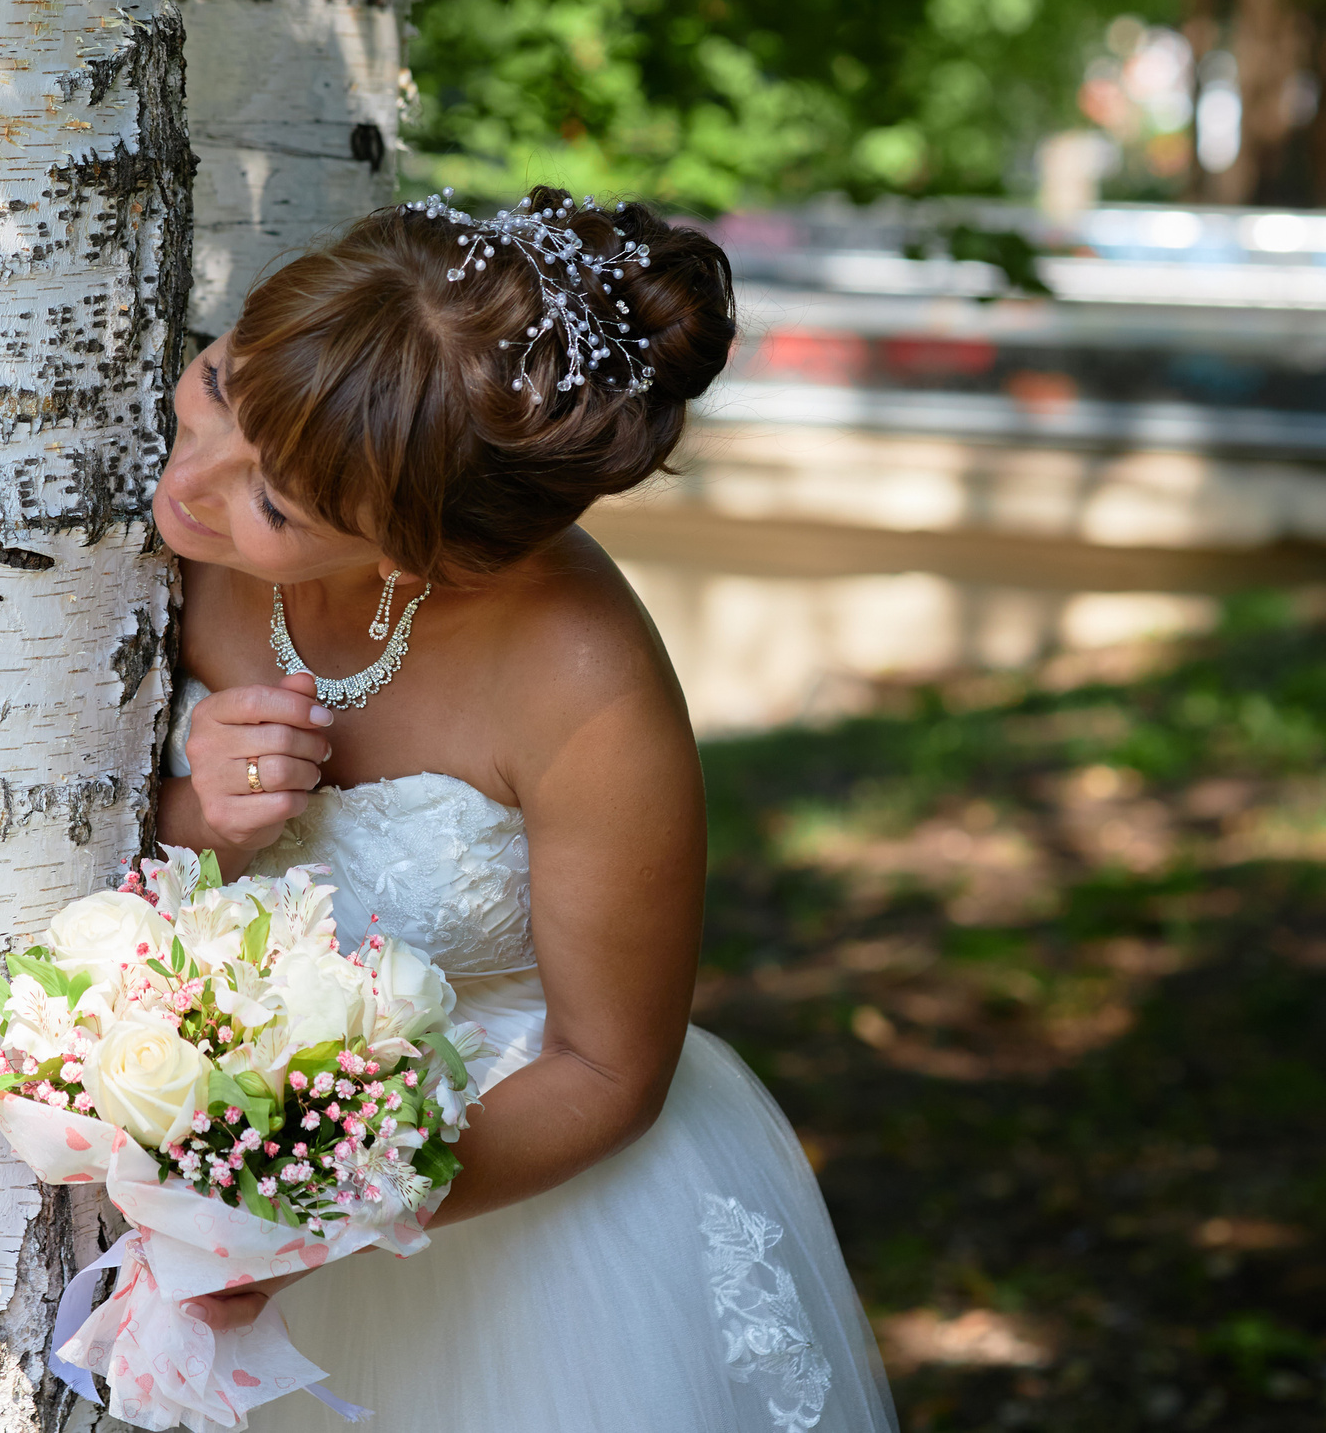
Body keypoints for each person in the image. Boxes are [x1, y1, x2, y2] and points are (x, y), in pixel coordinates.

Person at [153, 191, 901, 1432]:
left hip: (519, 1222)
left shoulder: (579, 679)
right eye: (223, 386)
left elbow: (609, 1067)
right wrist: (200, 815)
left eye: (275, 509)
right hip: (201, 1161)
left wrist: (306, 1219)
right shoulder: (100, 489)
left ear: (418, 551)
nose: (191, 481)